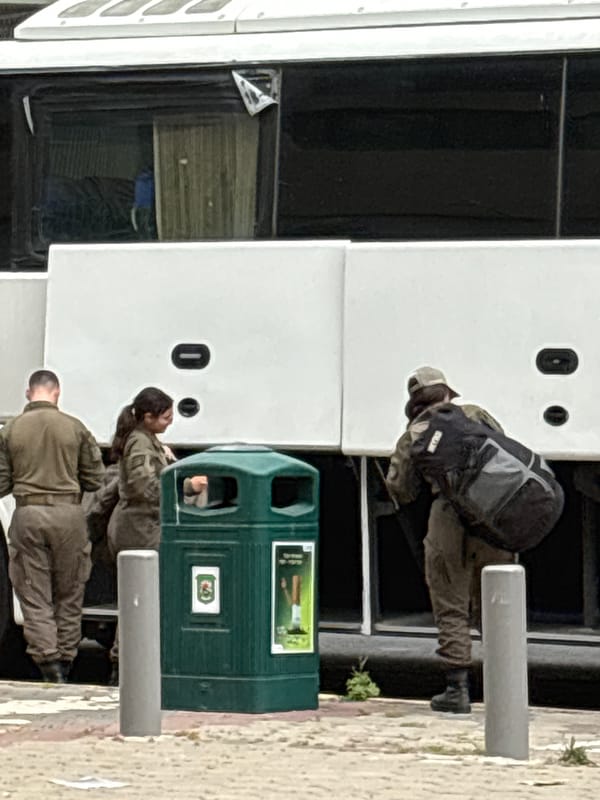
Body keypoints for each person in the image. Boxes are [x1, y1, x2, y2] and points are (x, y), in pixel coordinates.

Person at [386, 366, 514, 714]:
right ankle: (508, 688)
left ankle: (457, 690)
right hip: (493, 514)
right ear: (447, 392)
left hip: (447, 519)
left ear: (414, 402)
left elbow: (401, 488)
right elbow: (506, 452)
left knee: (451, 603)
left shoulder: (414, 433)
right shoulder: (475, 415)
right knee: (499, 600)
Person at [0, 370, 104, 683]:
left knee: (34, 592)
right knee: (69, 592)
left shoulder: (11, 429)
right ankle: (68, 656)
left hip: (28, 514)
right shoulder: (75, 427)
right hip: (69, 515)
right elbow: (95, 478)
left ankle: (49, 663)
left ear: (28, 392)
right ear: (56, 392)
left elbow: (2, 481)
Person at [106, 386, 207, 684]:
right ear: (147, 417)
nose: (170, 422)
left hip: (144, 526)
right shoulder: (139, 444)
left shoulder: (147, 439)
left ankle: (124, 664)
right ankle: (122, 667)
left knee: (140, 598)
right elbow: (143, 488)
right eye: (165, 417)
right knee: (140, 598)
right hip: (139, 529)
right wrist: (186, 486)